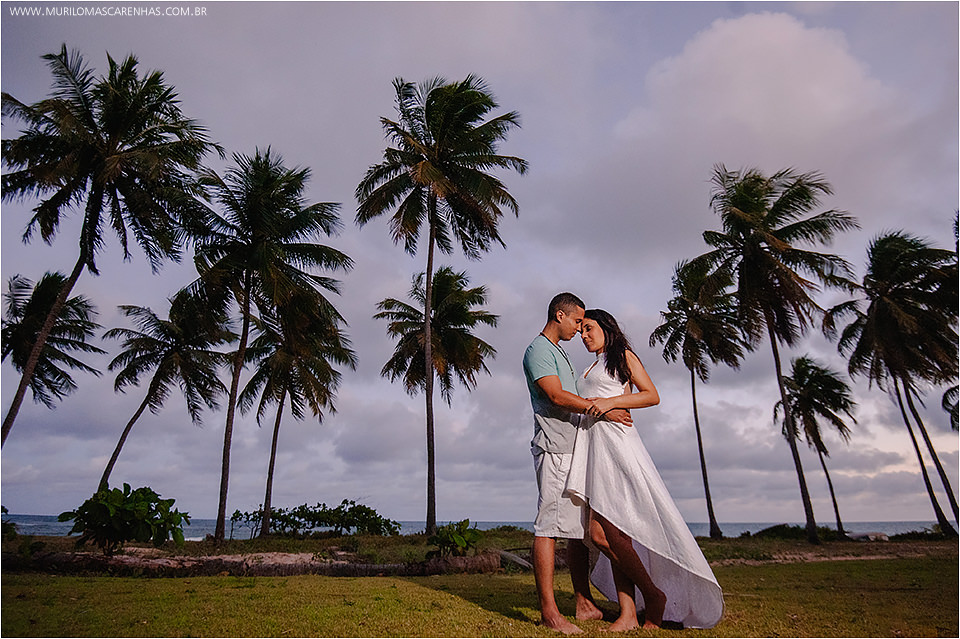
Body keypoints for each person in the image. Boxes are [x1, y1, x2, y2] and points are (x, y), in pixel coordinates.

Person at [564, 309, 724, 631]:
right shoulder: (590, 366)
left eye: (589, 328)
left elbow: (652, 395)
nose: (584, 335)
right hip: (595, 449)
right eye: (581, 331)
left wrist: (610, 404)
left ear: (607, 327)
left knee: (614, 532)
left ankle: (650, 599)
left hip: (618, 448)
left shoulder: (620, 355)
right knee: (599, 534)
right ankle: (634, 607)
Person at [522, 293, 633, 634]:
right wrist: (603, 408)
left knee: (577, 531)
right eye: (576, 322)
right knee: (548, 527)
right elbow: (556, 396)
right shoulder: (539, 350)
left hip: (574, 450)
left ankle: (583, 602)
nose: (579, 329)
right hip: (555, 448)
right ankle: (550, 614)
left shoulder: (560, 354)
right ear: (560, 314)